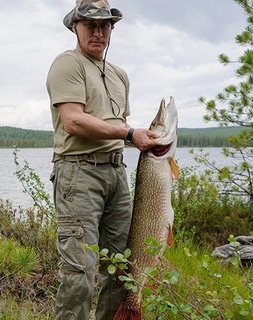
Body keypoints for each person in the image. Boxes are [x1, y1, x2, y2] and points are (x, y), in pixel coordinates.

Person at [46, 1, 158, 319]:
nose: (98, 32)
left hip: (116, 173)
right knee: (79, 272)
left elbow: (119, 124)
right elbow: (74, 121)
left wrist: (141, 139)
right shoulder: (67, 64)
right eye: (90, 25)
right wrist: (129, 134)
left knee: (121, 267)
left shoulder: (119, 75)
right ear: (75, 27)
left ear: (111, 29)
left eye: (104, 26)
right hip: (78, 174)